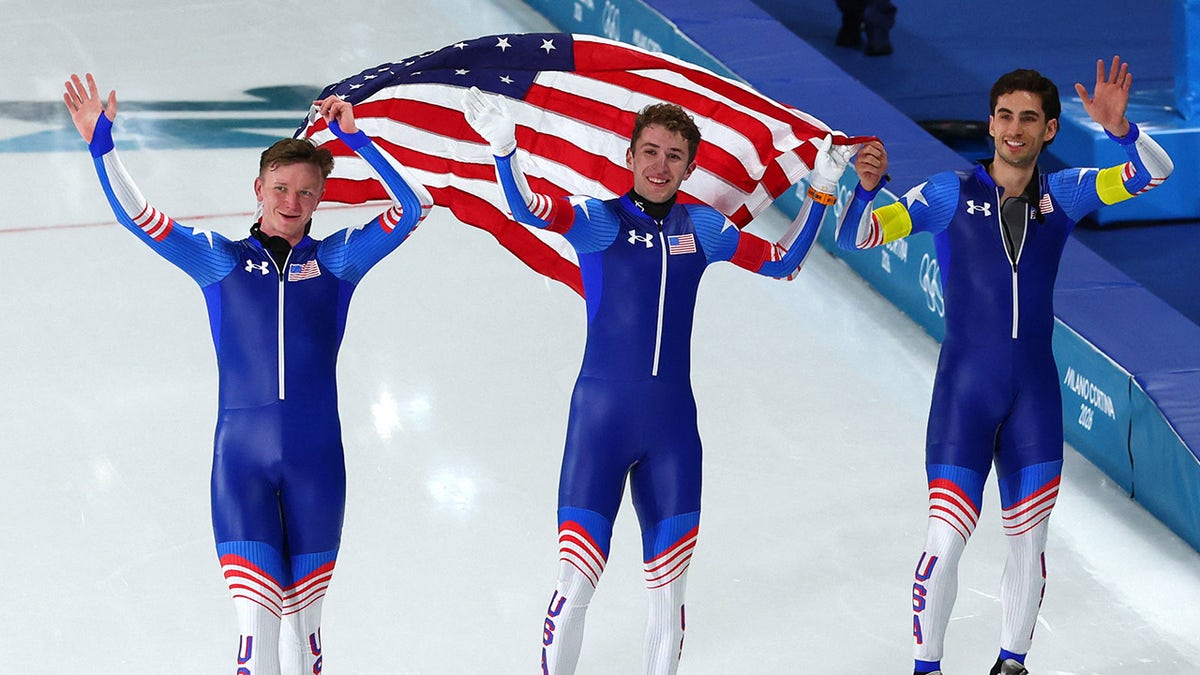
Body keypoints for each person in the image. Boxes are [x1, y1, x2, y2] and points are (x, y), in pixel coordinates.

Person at [463, 86, 853, 674]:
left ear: (690, 167)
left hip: (672, 431)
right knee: (575, 584)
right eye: (649, 151)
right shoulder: (598, 221)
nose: (659, 165)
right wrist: (504, 149)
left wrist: (821, 189)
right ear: (629, 157)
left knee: (669, 594)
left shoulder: (706, 228)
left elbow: (783, 261)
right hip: (601, 424)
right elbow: (526, 208)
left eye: (673, 155)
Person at [62, 72, 433, 674]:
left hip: (318, 466)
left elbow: (415, 207)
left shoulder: (338, 261)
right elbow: (141, 219)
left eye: (307, 192)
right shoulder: (219, 261)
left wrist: (358, 141)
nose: (292, 202)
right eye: (281, 188)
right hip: (240, 467)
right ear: (258, 188)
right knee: (258, 638)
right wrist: (101, 149)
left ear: (320, 198)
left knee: (303, 637)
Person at [834, 57, 1173, 675]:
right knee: (945, 540)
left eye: (1030, 119)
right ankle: (926, 667)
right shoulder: (946, 194)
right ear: (989, 124)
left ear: (1049, 131)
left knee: (1030, 542)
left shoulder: (1065, 195)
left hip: (1034, 398)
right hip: (965, 395)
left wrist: (1122, 131)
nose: (1014, 129)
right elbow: (863, 237)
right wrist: (864, 190)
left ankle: (1012, 663)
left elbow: (1155, 171)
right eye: (1004, 116)